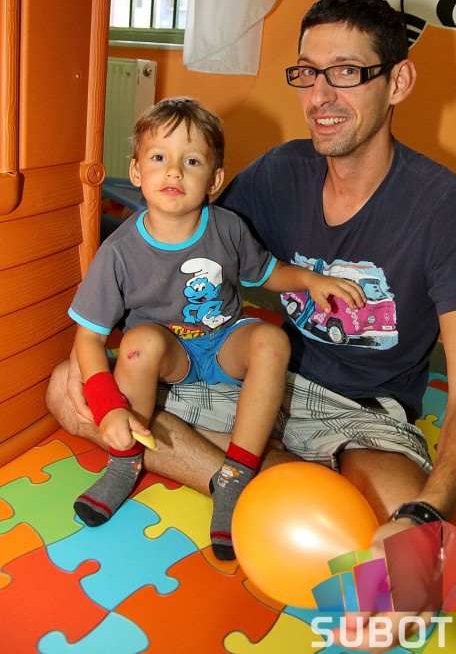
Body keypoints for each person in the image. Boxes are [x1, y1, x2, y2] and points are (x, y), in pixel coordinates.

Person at [47, 0, 456, 649]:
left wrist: (423, 513)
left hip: (360, 415)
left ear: (398, 81)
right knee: (69, 387)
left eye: (346, 71)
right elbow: (184, 244)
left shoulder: (444, 206)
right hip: (253, 386)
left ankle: (260, 475)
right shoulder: (278, 172)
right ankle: (248, 478)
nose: (320, 95)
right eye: (307, 72)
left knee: (411, 584)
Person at [66, 96, 364, 561]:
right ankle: (125, 464)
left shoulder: (227, 226)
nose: (174, 171)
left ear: (214, 180)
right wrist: (107, 409)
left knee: (271, 339)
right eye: (159, 158)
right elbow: (89, 336)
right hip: (170, 354)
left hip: (224, 340)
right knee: (138, 344)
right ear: (137, 171)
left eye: (191, 161)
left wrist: (310, 280)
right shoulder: (119, 251)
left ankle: (234, 476)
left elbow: (268, 273)